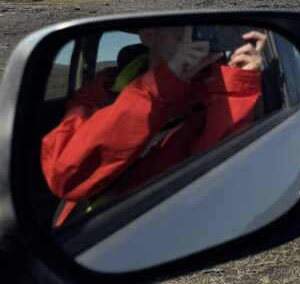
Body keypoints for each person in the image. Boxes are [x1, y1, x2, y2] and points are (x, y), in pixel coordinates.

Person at [41, 26, 267, 227]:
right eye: (185, 31)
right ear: (149, 36)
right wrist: (163, 84)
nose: (201, 40)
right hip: (80, 231)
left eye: (208, 30)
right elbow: (66, 177)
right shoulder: (102, 91)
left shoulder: (219, 96)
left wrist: (238, 85)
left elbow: (218, 188)